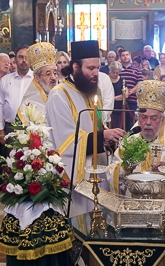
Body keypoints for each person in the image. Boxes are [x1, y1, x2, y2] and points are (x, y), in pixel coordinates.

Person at [47, 40, 126, 217]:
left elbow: (96, 124)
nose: (96, 73)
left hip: (98, 169)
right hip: (76, 177)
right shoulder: (59, 95)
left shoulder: (91, 91)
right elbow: (64, 141)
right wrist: (101, 136)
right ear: (75, 67)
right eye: (91, 68)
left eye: (98, 68)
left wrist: (107, 137)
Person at [108, 80, 165, 202]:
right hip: (134, 203)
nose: (147, 123)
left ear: (162, 118)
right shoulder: (132, 138)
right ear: (138, 117)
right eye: (143, 117)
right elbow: (111, 171)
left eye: (153, 118)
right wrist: (125, 167)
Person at [17, 40, 60, 123]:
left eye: (55, 73)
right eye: (48, 74)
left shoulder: (63, 97)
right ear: (36, 78)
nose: (53, 78)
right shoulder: (28, 104)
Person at [0, 45, 34, 135]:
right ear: (15, 60)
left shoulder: (36, 79)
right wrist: (0, 128)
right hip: (10, 127)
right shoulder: (6, 79)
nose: (24, 60)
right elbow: (0, 104)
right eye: (21, 57)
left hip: (32, 127)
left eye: (27, 57)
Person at [119, 47, 143, 129]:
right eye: (123, 55)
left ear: (130, 56)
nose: (125, 57)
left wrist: (131, 91)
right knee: (120, 123)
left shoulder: (136, 70)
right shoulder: (118, 70)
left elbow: (139, 83)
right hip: (119, 100)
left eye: (127, 55)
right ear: (120, 57)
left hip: (131, 100)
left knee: (130, 123)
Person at [108, 61, 126, 129]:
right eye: (113, 72)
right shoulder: (105, 80)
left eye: (117, 72)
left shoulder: (122, 81)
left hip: (118, 108)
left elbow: (124, 95)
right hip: (107, 106)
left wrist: (112, 98)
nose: (115, 74)